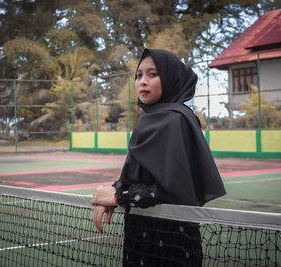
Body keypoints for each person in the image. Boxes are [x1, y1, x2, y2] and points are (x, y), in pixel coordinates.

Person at [91, 48, 226, 266]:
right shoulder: (151, 120)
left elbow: (167, 189)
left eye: (153, 74)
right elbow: (139, 177)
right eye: (139, 75)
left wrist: (118, 197)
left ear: (171, 78)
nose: (142, 82)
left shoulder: (175, 120)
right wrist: (114, 192)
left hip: (171, 242)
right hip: (141, 236)